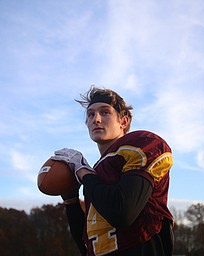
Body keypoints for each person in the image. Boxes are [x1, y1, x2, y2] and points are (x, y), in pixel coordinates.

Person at [51, 86, 174, 256]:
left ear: (123, 121)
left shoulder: (140, 143)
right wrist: (71, 199)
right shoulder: (96, 173)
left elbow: (122, 213)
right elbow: (89, 247)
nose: (96, 119)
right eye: (91, 114)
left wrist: (84, 173)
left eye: (105, 112)